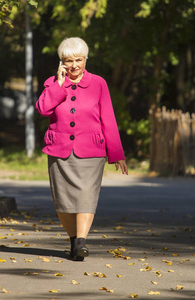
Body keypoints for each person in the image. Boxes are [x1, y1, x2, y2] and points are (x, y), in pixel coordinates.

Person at [35, 37, 128, 261]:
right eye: (69, 60)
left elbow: (108, 118)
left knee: (86, 197)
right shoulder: (52, 83)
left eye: (79, 59)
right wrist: (58, 85)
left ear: (86, 59)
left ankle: (81, 243)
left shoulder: (99, 83)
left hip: (91, 150)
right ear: (61, 62)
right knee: (63, 203)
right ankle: (74, 240)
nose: (74, 65)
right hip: (59, 150)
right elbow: (42, 109)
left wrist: (116, 153)